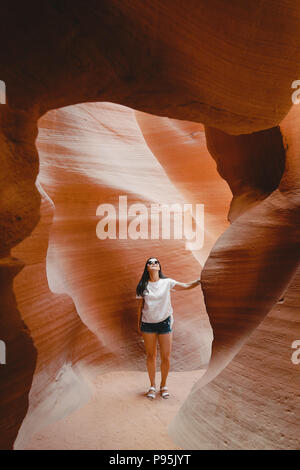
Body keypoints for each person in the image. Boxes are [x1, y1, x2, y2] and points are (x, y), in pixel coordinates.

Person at [136, 257, 201, 400]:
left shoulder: (167, 282)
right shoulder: (143, 285)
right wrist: (138, 325)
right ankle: (152, 386)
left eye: (155, 262)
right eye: (150, 262)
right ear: (147, 268)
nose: (153, 264)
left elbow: (185, 286)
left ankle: (163, 386)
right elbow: (140, 307)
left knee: (165, 356)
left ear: (159, 267)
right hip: (147, 324)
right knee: (151, 355)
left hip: (164, 323)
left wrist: (198, 281)